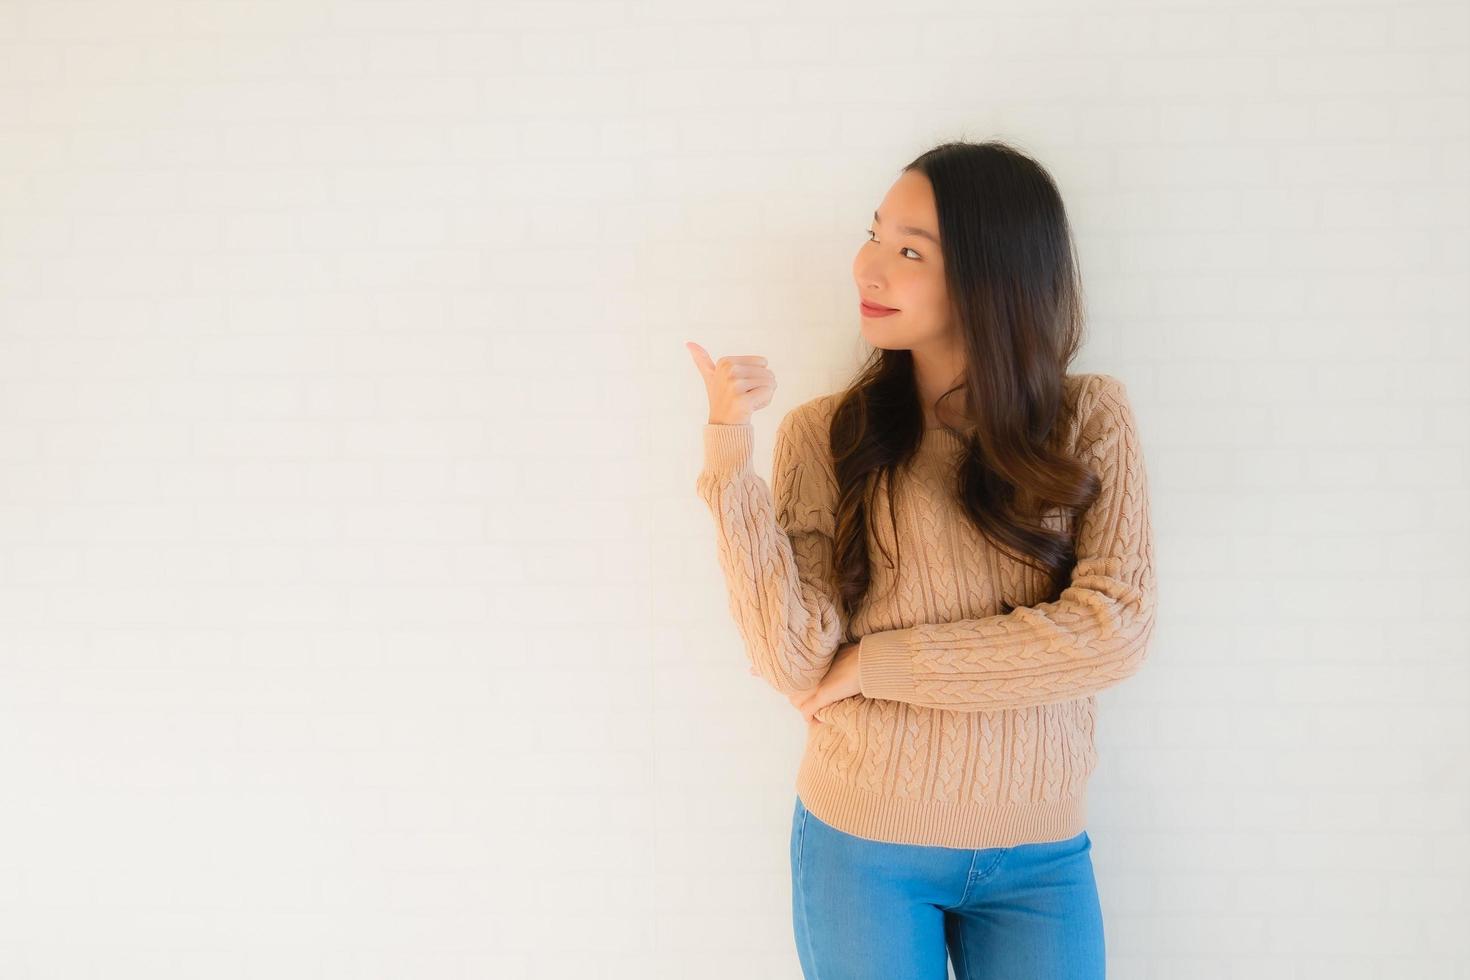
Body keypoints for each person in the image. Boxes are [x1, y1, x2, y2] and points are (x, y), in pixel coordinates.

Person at [685, 139, 1157, 980]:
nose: (869, 268)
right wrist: (729, 458)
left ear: (993, 275)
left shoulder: (1090, 418)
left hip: (1040, 857)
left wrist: (881, 662)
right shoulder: (828, 435)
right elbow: (795, 661)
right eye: (875, 236)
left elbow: (1113, 631)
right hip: (864, 844)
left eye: (910, 252)